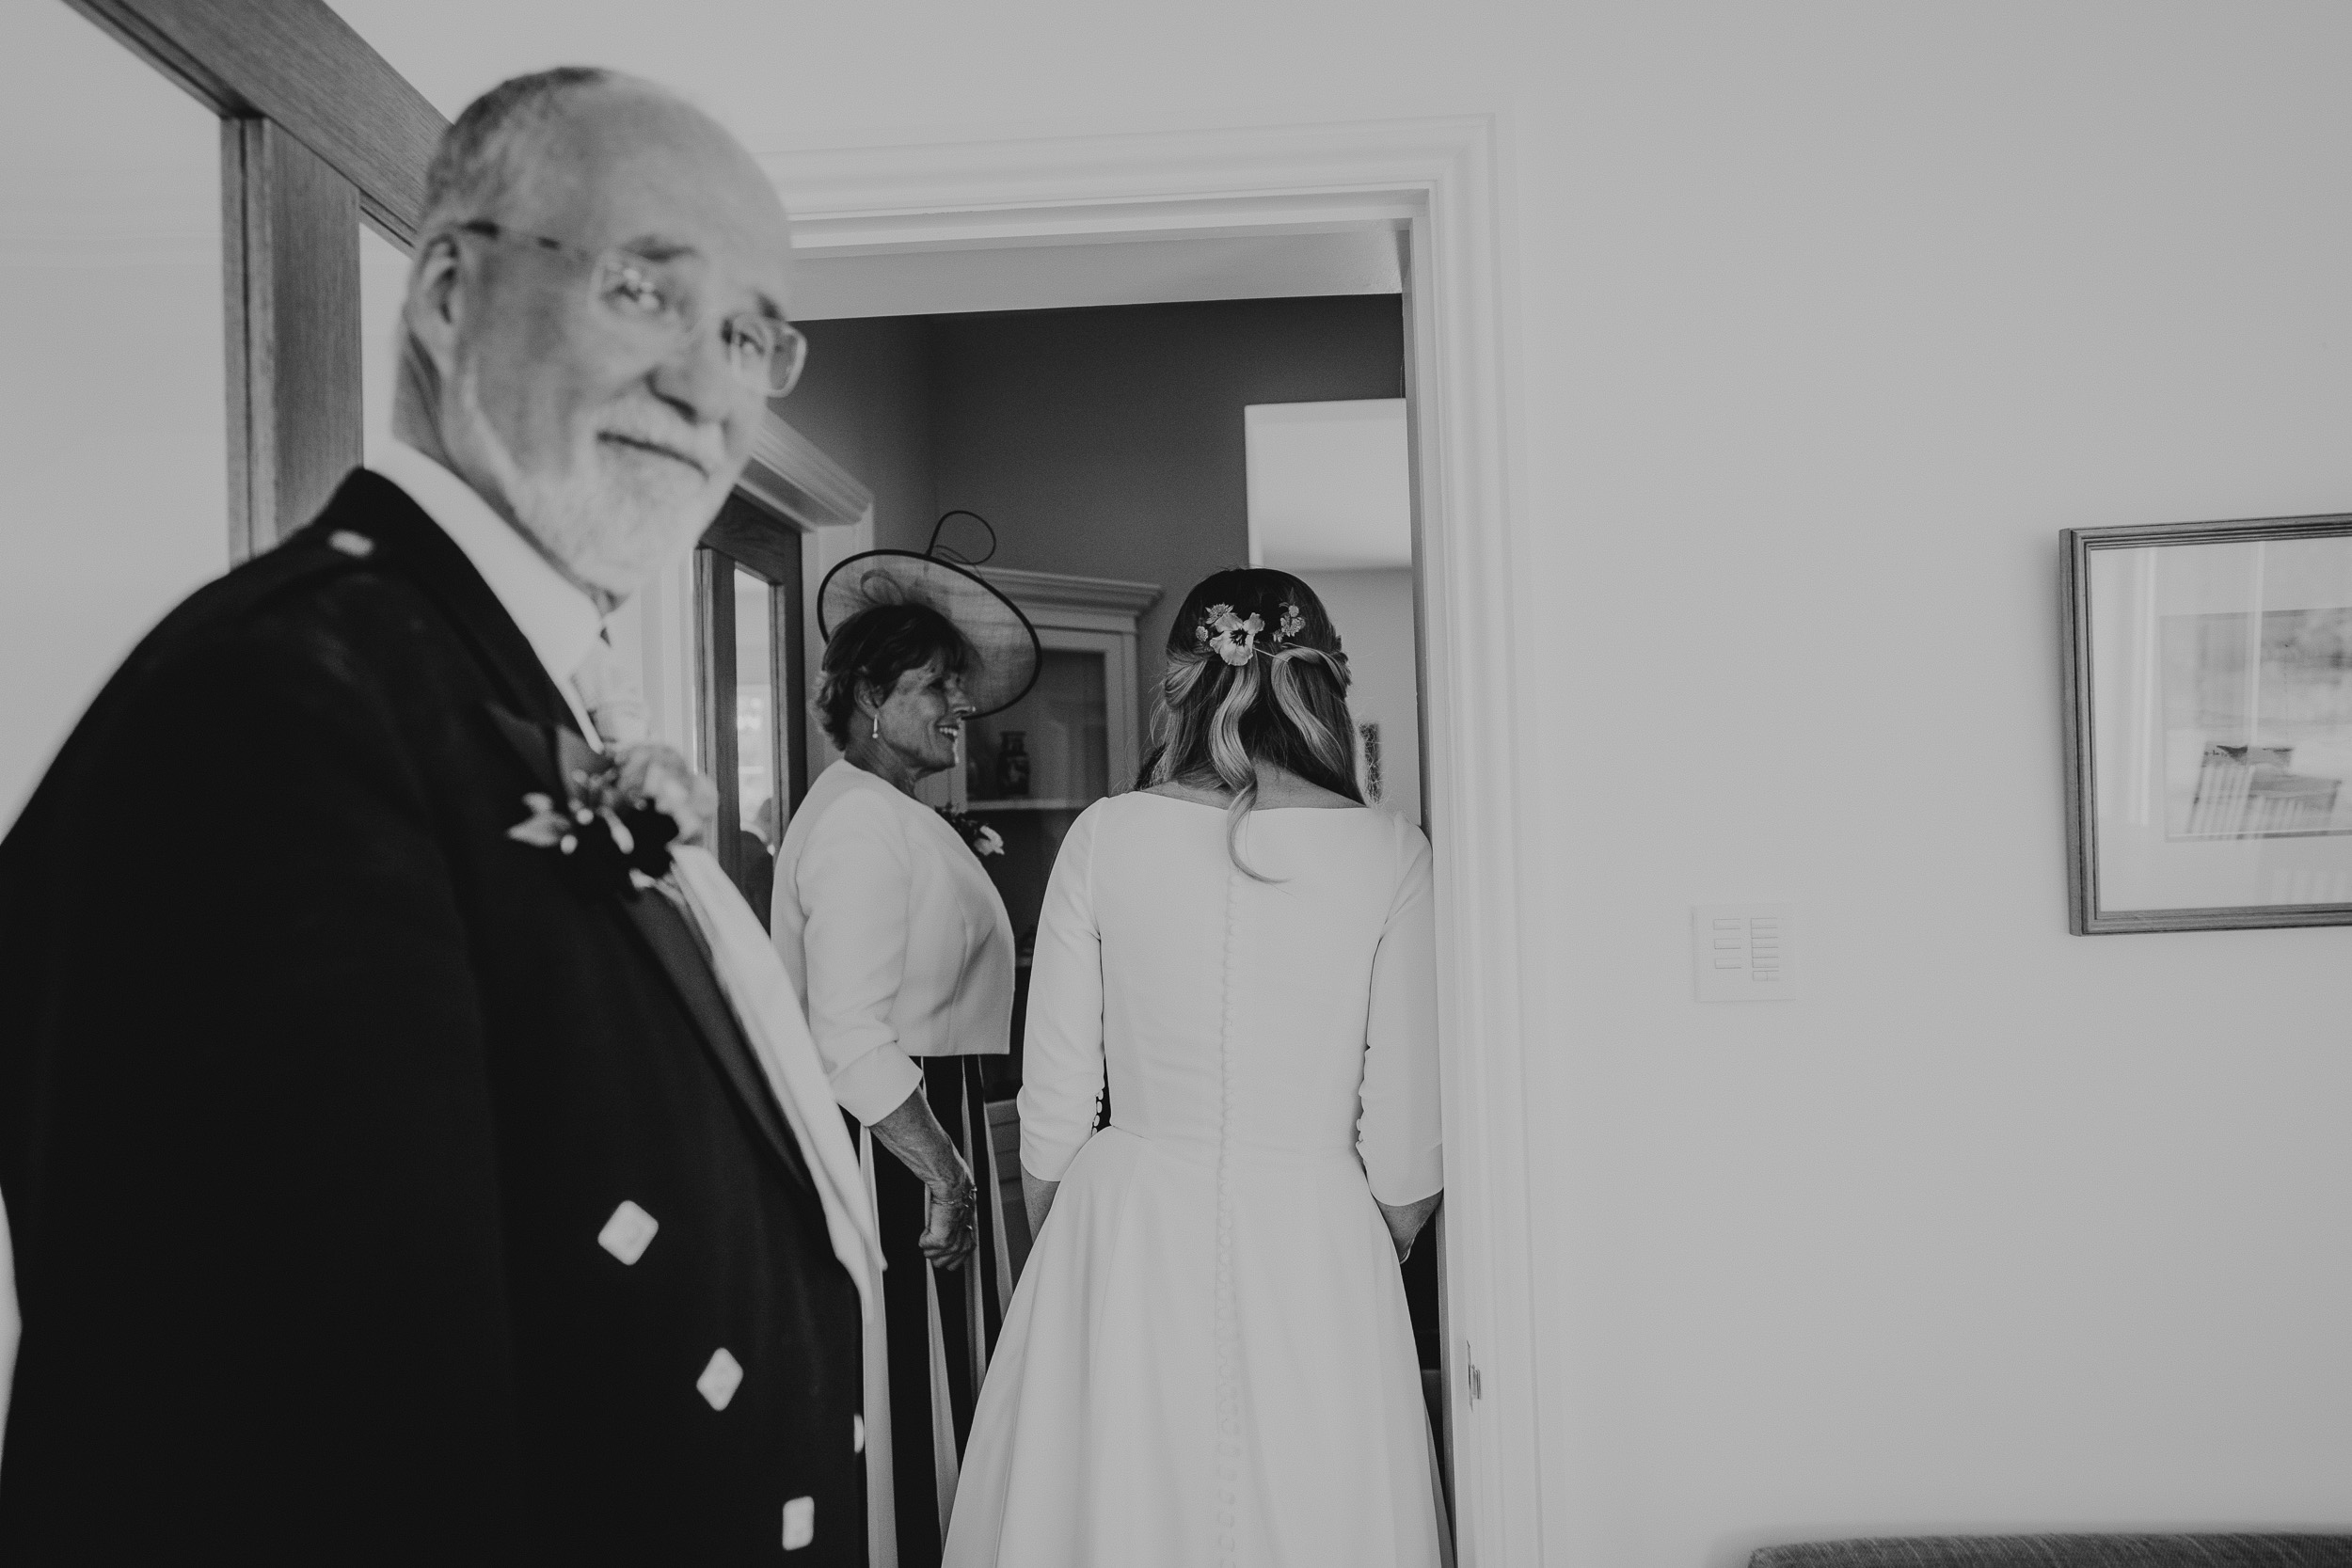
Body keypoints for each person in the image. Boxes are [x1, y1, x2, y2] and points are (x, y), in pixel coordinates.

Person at [0, 68, 873, 1564]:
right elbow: (282, 1468)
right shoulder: (282, 711)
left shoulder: (503, 694)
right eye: (643, 292)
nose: (711, 387)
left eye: (746, 334)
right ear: (451, 293)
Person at [943, 569, 1446, 1568]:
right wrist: (1360, 1239)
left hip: (1125, 1213)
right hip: (1313, 1220)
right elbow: (1402, 1140)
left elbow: (1053, 1100)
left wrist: (1078, 1240)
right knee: (1310, 1503)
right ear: (1323, 686)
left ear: (1181, 680)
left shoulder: (1105, 834)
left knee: (1110, 1500)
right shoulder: (1392, 852)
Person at [774, 552, 1040, 1568]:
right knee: (912, 1395)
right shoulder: (853, 825)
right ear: (873, 698)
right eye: (936, 685)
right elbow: (848, 1032)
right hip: (893, 1145)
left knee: (947, 1388)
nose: (960, 704)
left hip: (929, 1120)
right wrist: (947, 1172)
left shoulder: (887, 812)